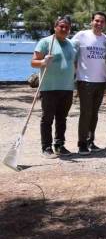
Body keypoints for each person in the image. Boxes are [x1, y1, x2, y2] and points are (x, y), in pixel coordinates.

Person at [32, 16, 76, 158]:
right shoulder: (45, 42)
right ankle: (46, 147)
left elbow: (73, 64)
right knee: (47, 119)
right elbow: (33, 62)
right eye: (61, 26)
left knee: (62, 118)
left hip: (67, 88)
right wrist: (43, 61)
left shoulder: (70, 44)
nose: (64, 29)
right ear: (55, 27)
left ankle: (59, 145)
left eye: (67, 27)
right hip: (49, 87)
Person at [71, 11, 106, 155]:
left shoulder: (105, 39)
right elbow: (69, 49)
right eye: (97, 21)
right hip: (85, 81)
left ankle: (90, 141)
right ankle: (82, 144)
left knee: (94, 113)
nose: (99, 24)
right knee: (86, 113)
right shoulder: (81, 35)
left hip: (101, 81)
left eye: (102, 22)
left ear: (105, 24)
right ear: (92, 21)